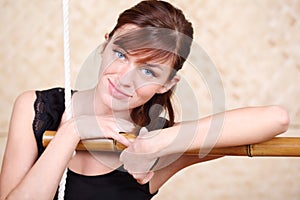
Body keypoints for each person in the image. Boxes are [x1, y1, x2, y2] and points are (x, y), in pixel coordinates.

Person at [0, 0, 290, 199]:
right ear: (104, 45)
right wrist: (74, 130)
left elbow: (276, 119)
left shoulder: (158, 143)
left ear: (167, 84)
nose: (126, 78)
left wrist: (158, 142)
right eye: (120, 54)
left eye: (148, 71)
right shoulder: (36, 108)